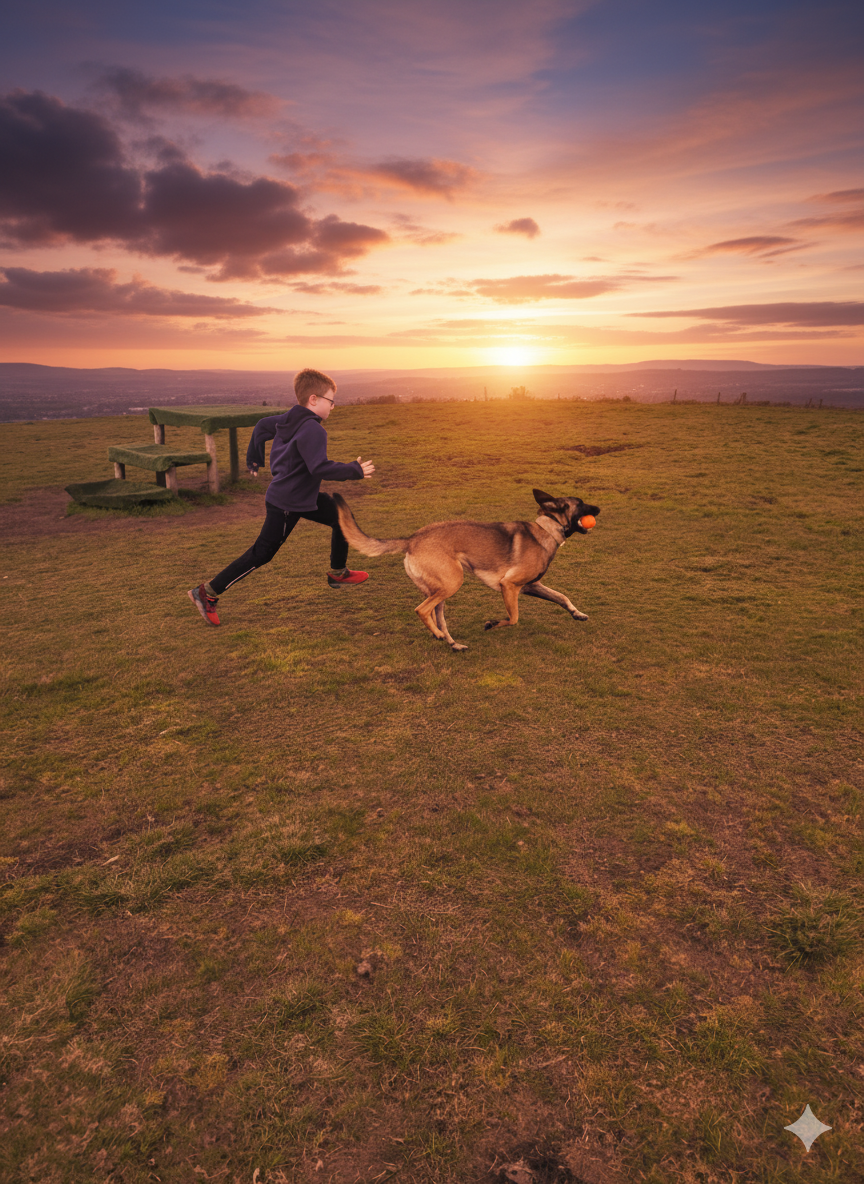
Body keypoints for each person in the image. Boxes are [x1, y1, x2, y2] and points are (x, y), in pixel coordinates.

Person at [188, 368, 374, 626]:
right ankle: (206, 592)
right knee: (262, 553)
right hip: (287, 503)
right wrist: (354, 470)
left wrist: (254, 456)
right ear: (313, 399)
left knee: (341, 517)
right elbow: (319, 467)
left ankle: (338, 572)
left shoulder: (290, 418)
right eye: (330, 401)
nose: (333, 406)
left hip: (301, 497)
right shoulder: (313, 430)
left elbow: (262, 425)